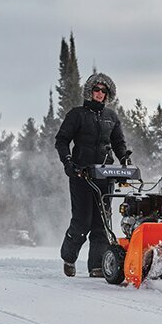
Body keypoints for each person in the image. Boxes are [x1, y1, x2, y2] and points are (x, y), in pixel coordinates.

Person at [55, 72, 129, 277]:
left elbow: (119, 144)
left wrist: (125, 161)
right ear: (89, 92)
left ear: (108, 94)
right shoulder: (77, 114)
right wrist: (69, 163)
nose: (100, 94)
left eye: (104, 91)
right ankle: (69, 258)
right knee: (82, 222)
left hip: (104, 175)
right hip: (81, 174)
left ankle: (96, 267)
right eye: (96, 90)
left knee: (102, 223)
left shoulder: (111, 117)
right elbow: (61, 140)